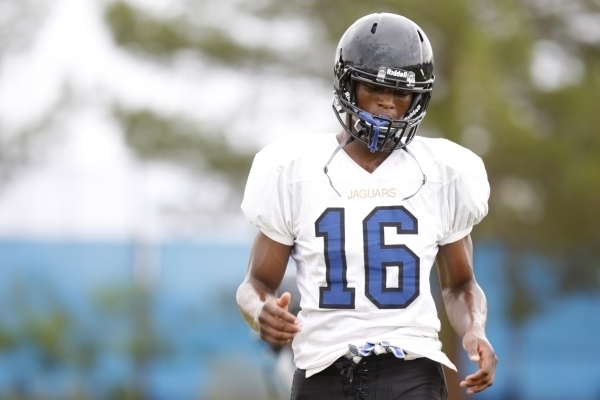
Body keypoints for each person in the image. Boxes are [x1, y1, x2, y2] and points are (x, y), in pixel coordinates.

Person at [236, 12, 497, 400]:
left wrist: (474, 329)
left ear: (418, 97)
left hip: (411, 370)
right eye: (374, 88)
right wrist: (261, 311)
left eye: (400, 93)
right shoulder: (294, 169)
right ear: (348, 84)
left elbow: (460, 285)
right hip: (321, 370)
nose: (387, 104)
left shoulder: (444, 172)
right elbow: (255, 284)